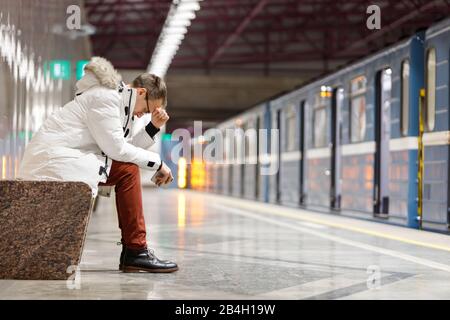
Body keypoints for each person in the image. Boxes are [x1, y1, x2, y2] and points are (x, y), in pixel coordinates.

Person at [18, 56, 178, 273]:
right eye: (148, 110)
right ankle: (135, 251)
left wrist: (152, 128)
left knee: (127, 169)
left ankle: (134, 251)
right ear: (141, 92)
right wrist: (159, 164)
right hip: (51, 161)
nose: (143, 114)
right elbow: (118, 151)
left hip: (63, 158)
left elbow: (120, 149)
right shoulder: (106, 98)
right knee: (128, 172)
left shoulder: (118, 104)